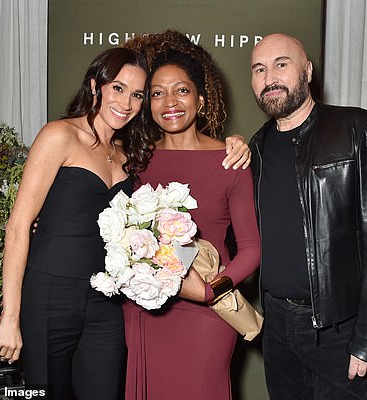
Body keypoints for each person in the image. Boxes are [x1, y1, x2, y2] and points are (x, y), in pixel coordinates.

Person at [0, 47, 250, 399]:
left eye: (137, 95)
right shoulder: (59, 136)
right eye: (118, 88)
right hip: (51, 295)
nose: (126, 103)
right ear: (96, 86)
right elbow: (18, 227)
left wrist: (236, 143)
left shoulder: (132, 154)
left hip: (107, 301)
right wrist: (10, 316)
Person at [248, 33, 367, 399]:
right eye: (259, 69)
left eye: (281, 64)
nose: (269, 77)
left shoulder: (356, 128)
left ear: (308, 70)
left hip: (338, 328)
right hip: (276, 327)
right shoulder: (255, 148)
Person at [122, 31, 261, 400]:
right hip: (147, 309)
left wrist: (208, 291)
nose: (170, 102)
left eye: (181, 91)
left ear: (200, 99)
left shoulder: (230, 160)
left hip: (207, 313)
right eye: (156, 93)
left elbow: (251, 249)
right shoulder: (137, 161)